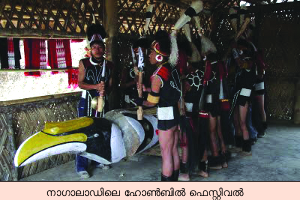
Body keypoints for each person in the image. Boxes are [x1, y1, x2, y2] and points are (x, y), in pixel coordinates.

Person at [135, 30, 181, 181]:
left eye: (151, 53)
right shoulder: (171, 68)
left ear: (159, 55)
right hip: (175, 112)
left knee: (165, 152)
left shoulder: (157, 75)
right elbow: (167, 89)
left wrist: (140, 101)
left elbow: (151, 102)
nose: (149, 55)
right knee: (173, 148)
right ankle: (174, 179)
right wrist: (147, 89)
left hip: (166, 115)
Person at [76, 23, 115, 178]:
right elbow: (80, 83)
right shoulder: (84, 63)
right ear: (90, 49)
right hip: (87, 103)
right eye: (95, 47)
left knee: (101, 131)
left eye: (100, 47)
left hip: (103, 103)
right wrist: (96, 86)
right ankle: (81, 166)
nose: (98, 50)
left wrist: (106, 90)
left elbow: (111, 86)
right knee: (85, 132)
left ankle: (99, 160)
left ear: (104, 48)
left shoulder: (110, 65)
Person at [231, 38, 256, 156]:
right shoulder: (243, 57)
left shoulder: (249, 61)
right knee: (236, 120)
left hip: (245, 94)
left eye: (240, 47)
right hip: (238, 92)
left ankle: (247, 149)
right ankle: (239, 145)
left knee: (242, 121)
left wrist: (235, 51)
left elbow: (240, 64)